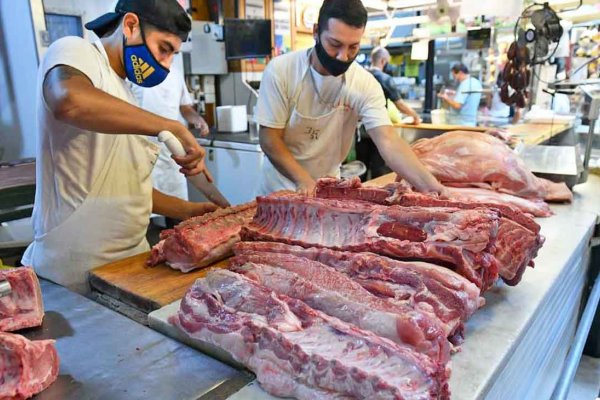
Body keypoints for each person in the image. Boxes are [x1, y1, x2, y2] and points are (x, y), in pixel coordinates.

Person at [22, 0, 217, 294]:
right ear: (130, 25)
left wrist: (190, 211)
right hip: (73, 272)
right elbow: (67, 100)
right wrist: (171, 126)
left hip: (129, 266)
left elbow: (123, 188)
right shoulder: (77, 51)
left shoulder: (125, 95)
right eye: (164, 49)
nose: (166, 64)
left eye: (173, 55)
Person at [255, 0, 443, 196]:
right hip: (278, 188)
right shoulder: (282, 71)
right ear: (316, 31)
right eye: (335, 44)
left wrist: (432, 187)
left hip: (326, 187)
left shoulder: (364, 84)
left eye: (353, 47)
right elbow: (269, 138)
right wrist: (304, 181)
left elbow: (388, 140)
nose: (343, 57)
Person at [131, 53, 209, 201]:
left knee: (178, 207)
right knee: (145, 207)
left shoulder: (176, 74)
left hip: (173, 152)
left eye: (173, 51)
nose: (168, 56)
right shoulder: (134, 72)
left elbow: (185, 108)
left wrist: (198, 119)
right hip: (141, 150)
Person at [357, 46, 421, 179]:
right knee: (377, 169)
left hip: (360, 131)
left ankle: (355, 197)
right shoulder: (385, 79)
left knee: (360, 168)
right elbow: (400, 104)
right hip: (378, 130)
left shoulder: (360, 76)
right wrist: (415, 116)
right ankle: (373, 198)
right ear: (383, 61)